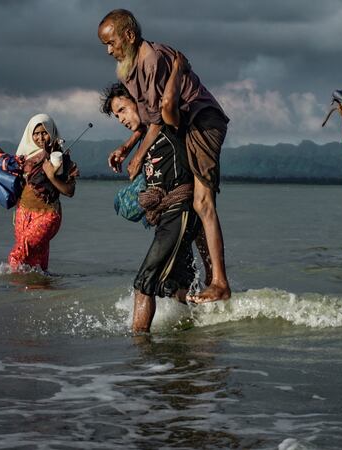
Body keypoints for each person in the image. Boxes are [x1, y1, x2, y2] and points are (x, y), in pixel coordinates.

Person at [98, 9, 231, 302]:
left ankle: (220, 282)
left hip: (202, 121)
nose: (109, 50)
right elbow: (149, 118)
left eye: (111, 43)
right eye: (105, 45)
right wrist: (128, 146)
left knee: (202, 201)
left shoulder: (152, 59)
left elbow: (167, 113)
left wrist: (137, 155)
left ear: (129, 36)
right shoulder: (131, 68)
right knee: (194, 207)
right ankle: (209, 280)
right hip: (184, 124)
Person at [101, 56, 201, 332]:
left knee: (143, 284)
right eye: (117, 115)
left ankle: (140, 353)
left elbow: (164, 107)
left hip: (180, 212)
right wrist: (126, 146)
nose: (120, 118)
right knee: (176, 285)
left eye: (122, 110)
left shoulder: (169, 125)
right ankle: (197, 344)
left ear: (139, 103)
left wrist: (177, 68)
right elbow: (144, 129)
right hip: (169, 217)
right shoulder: (146, 137)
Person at [2, 114, 78, 272]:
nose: (40, 137)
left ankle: (9, 287)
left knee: (18, 255)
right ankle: (38, 291)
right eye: (36, 133)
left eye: (44, 132)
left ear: (52, 132)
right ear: (30, 134)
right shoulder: (24, 157)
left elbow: (70, 191)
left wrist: (51, 175)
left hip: (47, 215)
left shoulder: (61, 158)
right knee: (36, 263)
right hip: (23, 213)